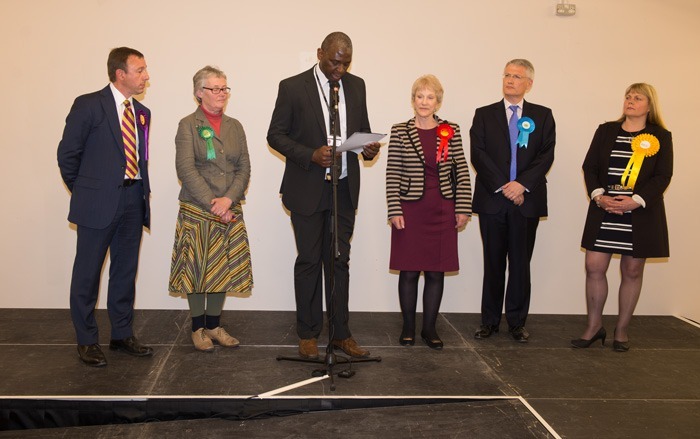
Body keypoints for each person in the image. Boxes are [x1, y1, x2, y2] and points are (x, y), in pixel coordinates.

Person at [267, 31, 380, 360]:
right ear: (320, 53)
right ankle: (307, 333)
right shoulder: (292, 87)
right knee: (308, 262)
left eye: (345, 63)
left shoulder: (356, 86)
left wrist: (367, 148)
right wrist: (309, 154)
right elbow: (275, 134)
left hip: (343, 189)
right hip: (306, 189)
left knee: (339, 262)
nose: (339, 69)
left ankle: (341, 334)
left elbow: (361, 131)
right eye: (334, 61)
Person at [57, 47, 153, 367]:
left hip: (133, 199)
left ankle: (121, 334)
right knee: (87, 274)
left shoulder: (142, 112)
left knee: (125, 272)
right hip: (98, 202)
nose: (145, 76)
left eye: (144, 70)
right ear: (119, 74)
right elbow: (67, 155)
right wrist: (86, 192)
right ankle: (86, 340)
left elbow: (140, 159)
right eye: (139, 70)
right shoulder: (88, 105)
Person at [572, 83, 672, 352]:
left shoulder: (660, 136)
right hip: (604, 208)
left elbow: (663, 176)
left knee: (632, 270)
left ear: (649, 105)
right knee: (594, 266)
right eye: (628, 96)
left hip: (639, 214)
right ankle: (594, 327)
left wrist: (635, 201)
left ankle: (622, 330)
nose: (630, 101)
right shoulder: (606, 131)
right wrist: (598, 196)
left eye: (637, 98)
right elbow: (590, 166)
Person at [470, 59, 556, 343]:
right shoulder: (484, 114)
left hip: (525, 201)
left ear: (529, 83)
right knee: (492, 263)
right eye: (507, 75)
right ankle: (489, 322)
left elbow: (546, 155)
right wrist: (503, 186)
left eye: (517, 76)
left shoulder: (543, 116)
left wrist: (521, 185)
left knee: (520, 264)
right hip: (493, 199)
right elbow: (478, 154)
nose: (510, 80)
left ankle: (517, 322)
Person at [169, 66, 253, 352]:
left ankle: (215, 326)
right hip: (198, 208)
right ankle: (197, 328)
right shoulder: (187, 125)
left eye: (224, 88)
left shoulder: (235, 126)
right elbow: (186, 168)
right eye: (215, 89)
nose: (221, 94)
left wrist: (229, 200)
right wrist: (213, 203)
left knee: (221, 270)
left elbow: (244, 167)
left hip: (229, 208)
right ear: (198, 93)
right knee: (197, 270)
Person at [386, 75, 472, 349]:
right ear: (412, 100)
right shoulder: (399, 131)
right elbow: (393, 173)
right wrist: (394, 208)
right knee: (409, 271)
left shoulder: (452, 130)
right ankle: (409, 328)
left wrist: (463, 208)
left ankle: (430, 329)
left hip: (443, 208)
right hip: (410, 210)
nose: (424, 102)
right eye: (419, 96)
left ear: (438, 101)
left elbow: (462, 172)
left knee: (436, 272)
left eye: (430, 97)